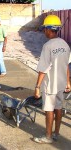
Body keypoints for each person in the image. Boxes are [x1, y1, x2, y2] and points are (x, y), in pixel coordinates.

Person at [33, 15, 71, 144]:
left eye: (45, 29)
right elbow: (66, 65)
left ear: (50, 29)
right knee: (58, 108)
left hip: (50, 85)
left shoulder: (48, 46)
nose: (44, 31)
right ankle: (56, 133)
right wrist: (68, 82)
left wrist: (37, 87)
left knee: (49, 110)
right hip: (61, 84)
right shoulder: (64, 44)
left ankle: (48, 137)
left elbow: (43, 69)